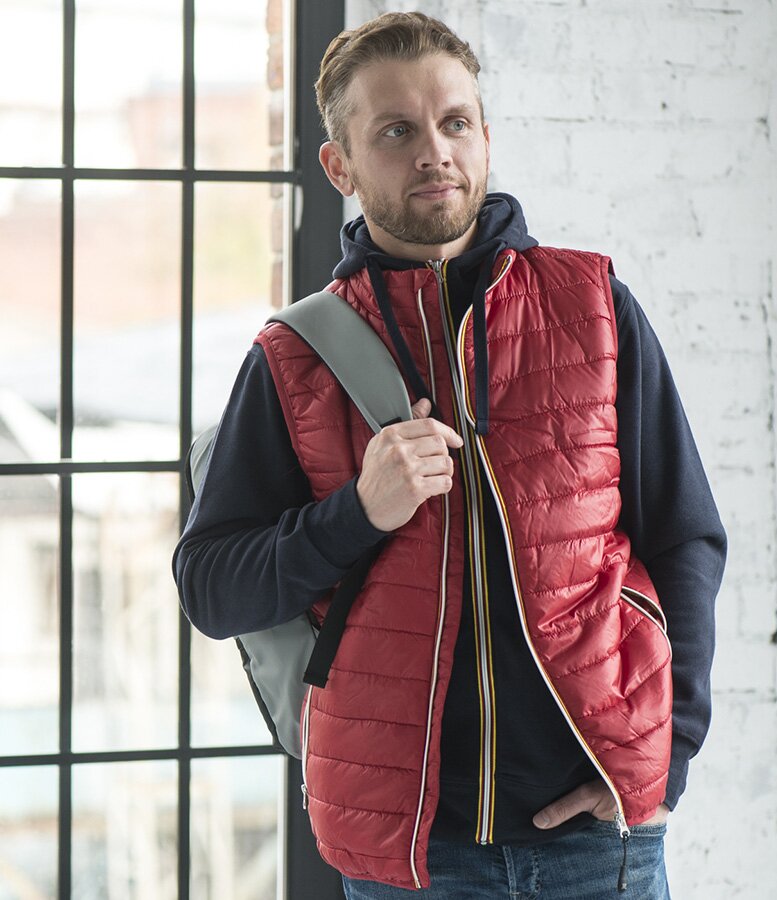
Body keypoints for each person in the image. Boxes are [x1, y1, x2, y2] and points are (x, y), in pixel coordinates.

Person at [174, 11, 726, 899]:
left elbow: (685, 537)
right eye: (396, 131)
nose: (435, 152)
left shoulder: (593, 307)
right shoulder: (295, 359)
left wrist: (671, 754)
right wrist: (356, 514)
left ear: (484, 137)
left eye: (454, 122)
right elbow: (211, 586)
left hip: (601, 841)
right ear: (340, 167)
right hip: (412, 861)